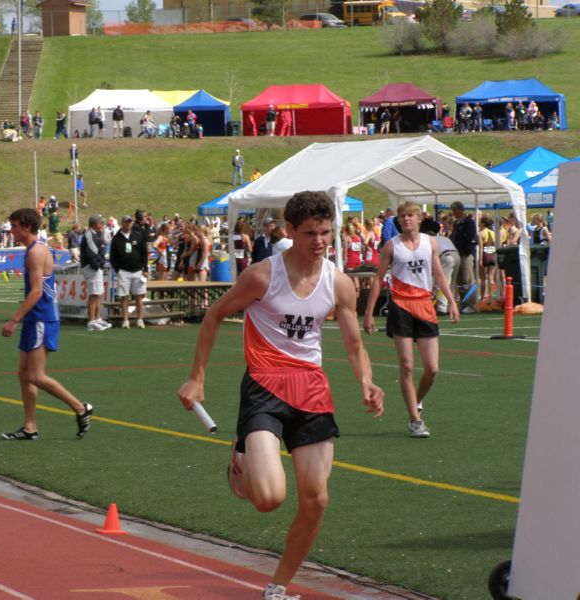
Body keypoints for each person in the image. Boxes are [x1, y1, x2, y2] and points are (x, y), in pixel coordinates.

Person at [177, 191, 384, 600]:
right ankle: (241, 457)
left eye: (326, 232)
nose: (320, 241)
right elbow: (216, 315)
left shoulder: (338, 283)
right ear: (290, 231)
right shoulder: (261, 276)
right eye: (310, 233)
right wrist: (197, 378)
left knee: (317, 500)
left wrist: (366, 382)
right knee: (269, 499)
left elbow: (354, 344)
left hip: (312, 389)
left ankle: (278, 586)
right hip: (265, 385)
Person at [364, 202, 458, 439]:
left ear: (418, 219)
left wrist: (452, 301)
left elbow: (438, 274)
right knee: (406, 366)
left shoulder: (430, 243)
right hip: (400, 306)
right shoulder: (391, 246)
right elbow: (377, 279)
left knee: (432, 368)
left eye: (410, 215)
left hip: (425, 305)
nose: (406, 219)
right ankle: (415, 421)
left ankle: (417, 401)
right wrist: (368, 312)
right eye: (402, 216)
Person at [0, 208, 94, 440]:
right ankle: (30, 427)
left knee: (36, 375)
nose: (11, 231)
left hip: (41, 317)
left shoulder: (35, 252)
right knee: (24, 373)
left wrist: (14, 319)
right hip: (36, 317)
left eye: (14, 226)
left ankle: (81, 408)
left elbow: (37, 291)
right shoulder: (34, 249)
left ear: (27, 227)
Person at [109, 215, 149, 329]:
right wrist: (118, 270)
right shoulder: (117, 238)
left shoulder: (137, 235)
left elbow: (144, 253)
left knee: (138, 296)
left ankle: (140, 319)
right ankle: (125, 319)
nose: (128, 224)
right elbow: (113, 256)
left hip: (137, 271)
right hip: (124, 271)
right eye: (126, 222)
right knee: (124, 297)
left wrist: (145, 268)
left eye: (130, 222)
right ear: (122, 223)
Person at [80, 215, 112, 331]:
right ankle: (91, 320)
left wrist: (100, 263)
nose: (103, 225)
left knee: (98, 293)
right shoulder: (89, 234)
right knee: (94, 294)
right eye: (101, 223)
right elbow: (92, 253)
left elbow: (98, 252)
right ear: (95, 224)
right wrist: (98, 264)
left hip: (96, 267)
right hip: (92, 268)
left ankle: (97, 318)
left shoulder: (94, 234)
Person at [449, 201, 478, 311]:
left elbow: (472, 238)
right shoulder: (457, 223)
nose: (454, 213)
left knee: (467, 279)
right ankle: (463, 302)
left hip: (465, 255)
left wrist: (467, 251)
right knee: (460, 280)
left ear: (461, 209)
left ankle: (471, 304)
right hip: (457, 254)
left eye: (455, 210)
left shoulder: (468, 222)